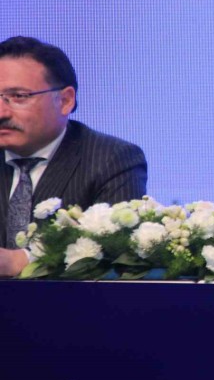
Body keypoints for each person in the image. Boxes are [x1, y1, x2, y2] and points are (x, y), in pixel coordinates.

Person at [0, 36, 147, 276]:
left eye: (18, 96)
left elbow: (117, 253)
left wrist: (22, 260)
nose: (2, 112)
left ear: (65, 100)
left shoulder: (111, 159)